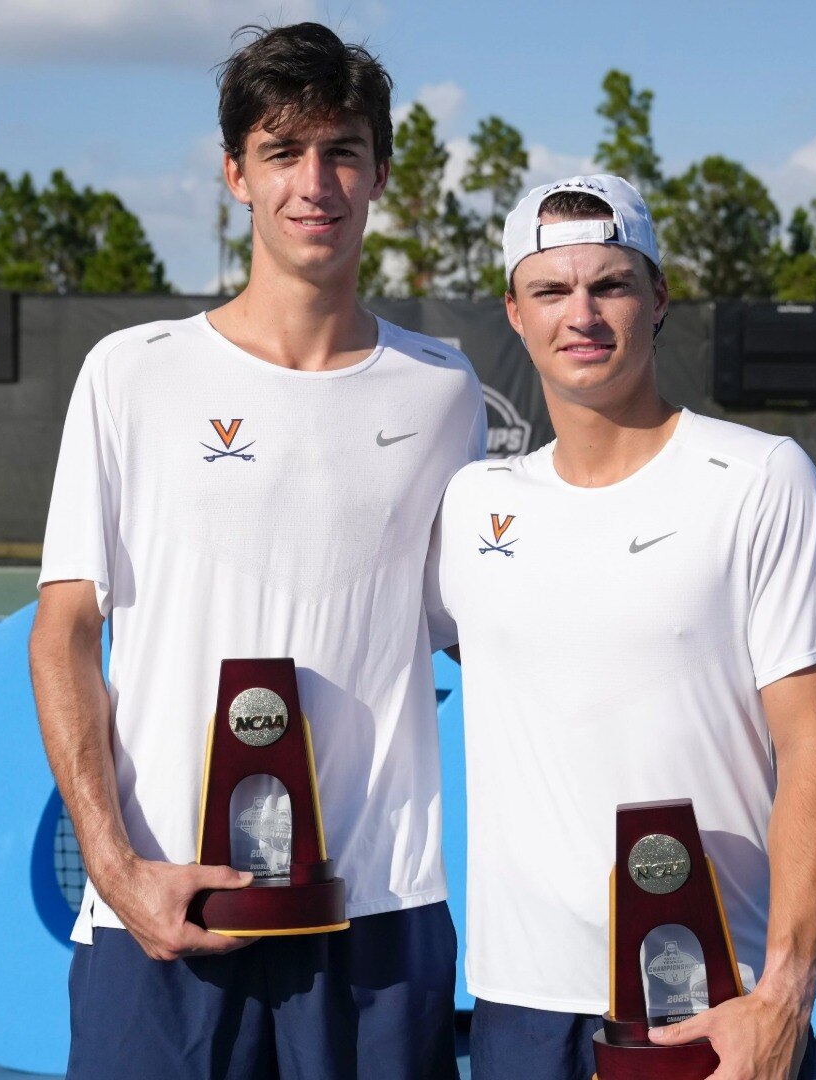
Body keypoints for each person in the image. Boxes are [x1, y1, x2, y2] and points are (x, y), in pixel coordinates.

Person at [29, 22, 485, 1079]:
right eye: (283, 152)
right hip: (164, 905)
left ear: (380, 174)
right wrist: (115, 864)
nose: (314, 183)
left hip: (378, 911)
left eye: (343, 152)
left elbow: (475, 627)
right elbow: (63, 635)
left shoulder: (443, 388)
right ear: (235, 172)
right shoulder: (130, 373)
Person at [431, 174, 816, 1080]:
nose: (581, 313)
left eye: (611, 285)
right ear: (514, 312)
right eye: (551, 289)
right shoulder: (473, 506)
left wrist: (785, 994)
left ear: (658, 297)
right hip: (518, 1002)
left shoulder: (760, 480)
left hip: (712, 998)